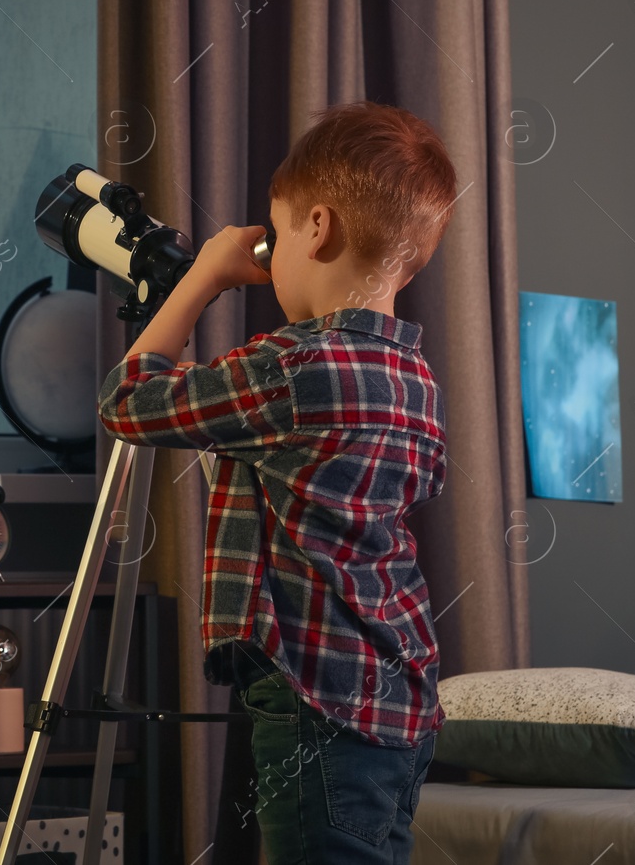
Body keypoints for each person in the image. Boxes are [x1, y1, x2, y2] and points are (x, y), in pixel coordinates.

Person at [96, 100, 458, 864]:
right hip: (401, 703)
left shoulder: (291, 369)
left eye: (278, 229)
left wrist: (202, 278)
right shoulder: (416, 376)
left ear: (318, 227)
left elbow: (126, 402)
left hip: (318, 701)